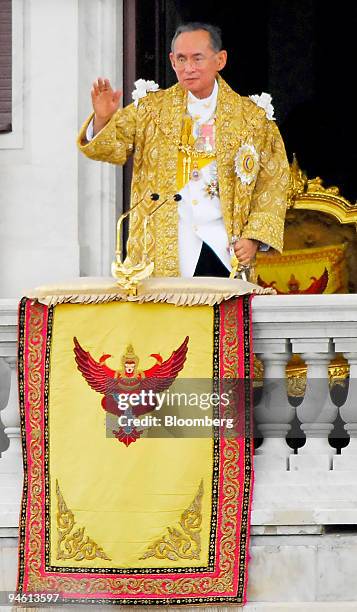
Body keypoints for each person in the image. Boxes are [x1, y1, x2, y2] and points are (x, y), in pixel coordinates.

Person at [77, 22, 289, 278]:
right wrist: (102, 120)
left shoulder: (252, 119)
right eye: (181, 59)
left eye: (197, 59)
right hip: (161, 248)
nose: (188, 68)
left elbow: (273, 182)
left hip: (223, 248)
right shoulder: (151, 110)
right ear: (172, 61)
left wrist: (253, 238)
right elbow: (111, 149)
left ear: (220, 60)